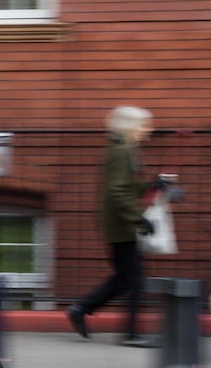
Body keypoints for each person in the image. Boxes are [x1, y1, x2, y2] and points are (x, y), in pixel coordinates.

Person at [66, 105, 163, 348]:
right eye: (144, 125)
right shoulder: (122, 151)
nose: (148, 130)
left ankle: (82, 308)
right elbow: (117, 192)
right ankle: (128, 333)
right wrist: (137, 218)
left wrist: (154, 184)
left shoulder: (123, 149)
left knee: (126, 278)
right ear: (130, 127)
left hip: (120, 224)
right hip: (122, 226)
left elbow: (126, 189)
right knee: (132, 279)